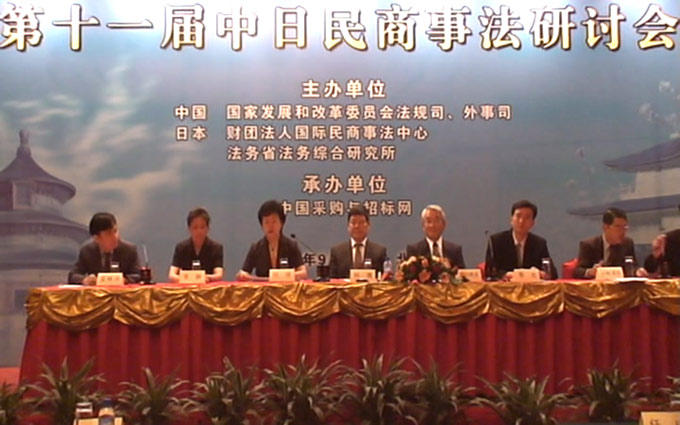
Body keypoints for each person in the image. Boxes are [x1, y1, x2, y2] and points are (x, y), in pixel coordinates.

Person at [484, 200, 557, 280]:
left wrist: (541, 273)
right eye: (518, 216)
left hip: (531, 287)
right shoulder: (496, 241)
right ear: (511, 219)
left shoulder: (539, 243)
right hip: (505, 286)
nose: (521, 221)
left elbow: (552, 273)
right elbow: (490, 272)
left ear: (532, 223)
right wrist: (505, 275)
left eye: (527, 218)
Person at [236, 200, 307, 281]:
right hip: (263, 288)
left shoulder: (291, 245)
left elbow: (303, 273)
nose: (270, 226)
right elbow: (243, 273)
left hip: (287, 288)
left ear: (281, 223)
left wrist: (282, 276)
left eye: (274, 221)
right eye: (266, 222)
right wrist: (243, 275)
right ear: (262, 225)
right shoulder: (256, 248)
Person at [68, 212, 141, 284]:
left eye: (115, 231)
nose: (115, 237)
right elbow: (73, 275)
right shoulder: (87, 251)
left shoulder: (129, 250)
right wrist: (85, 280)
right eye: (109, 233)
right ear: (96, 238)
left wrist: (124, 280)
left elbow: (138, 275)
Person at [574, 207, 647, 278]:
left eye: (625, 227)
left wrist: (638, 271)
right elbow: (578, 271)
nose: (622, 231)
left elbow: (633, 266)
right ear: (605, 227)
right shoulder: (589, 245)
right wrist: (591, 272)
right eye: (618, 227)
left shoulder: (627, 243)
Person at [329, 205, 388, 279]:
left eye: (361, 222)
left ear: (368, 225)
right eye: (353, 223)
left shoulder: (379, 252)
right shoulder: (337, 252)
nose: (357, 226)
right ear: (348, 226)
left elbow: (384, 279)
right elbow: (332, 281)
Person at [168, 207, 224, 283]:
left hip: (208, 287)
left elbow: (219, 275)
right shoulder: (181, 247)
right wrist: (192, 279)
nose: (199, 231)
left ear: (208, 228)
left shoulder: (216, 248)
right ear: (189, 229)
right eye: (195, 227)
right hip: (186, 288)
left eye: (202, 227)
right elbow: (172, 275)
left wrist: (204, 277)